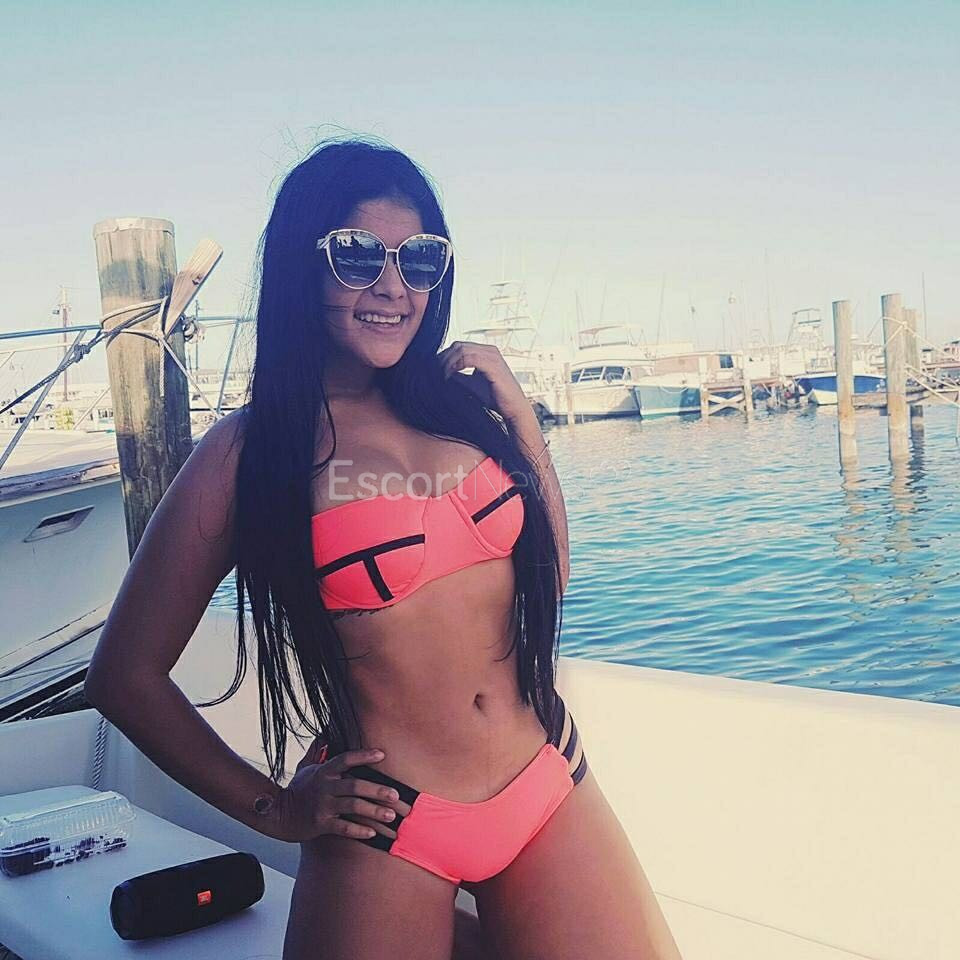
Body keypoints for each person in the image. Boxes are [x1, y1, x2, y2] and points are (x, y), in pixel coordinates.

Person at [85, 138, 683, 960]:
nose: (394, 287)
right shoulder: (249, 455)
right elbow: (123, 676)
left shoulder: (460, 412)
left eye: (420, 259)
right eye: (359, 256)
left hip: (546, 778)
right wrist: (277, 810)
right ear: (304, 267)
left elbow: (548, 579)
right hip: (391, 820)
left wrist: (522, 421)